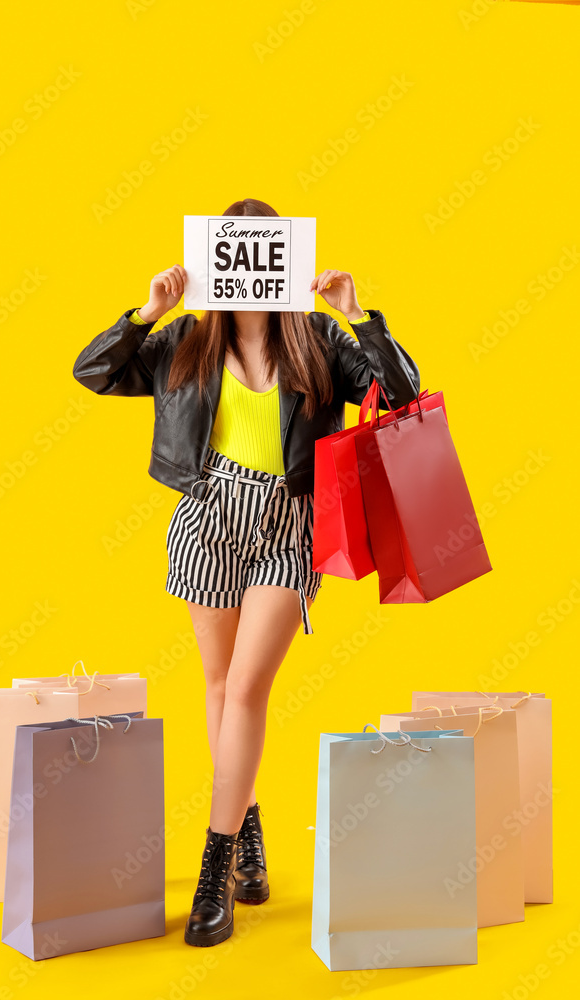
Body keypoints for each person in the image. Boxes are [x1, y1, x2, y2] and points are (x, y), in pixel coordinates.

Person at [72, 198, 421, 948]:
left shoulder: (321, 339)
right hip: (207, 515)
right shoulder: (184, 343)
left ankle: (215, 865)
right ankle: (251, 828)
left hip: (286, 521)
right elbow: (94, 373)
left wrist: (357, 314)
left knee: (249, 687)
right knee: (220, 686)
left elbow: (400, 395)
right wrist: (146, 310)